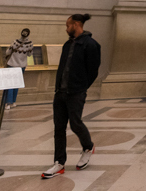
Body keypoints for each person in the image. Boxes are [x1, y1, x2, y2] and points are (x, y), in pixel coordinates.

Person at [42, 13, 101, 179]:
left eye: (68, 25)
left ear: (76, 24)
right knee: (59, 127)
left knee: (75, 123)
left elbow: (93, 71)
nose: (66, 29)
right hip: (60, 92)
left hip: (76, 92)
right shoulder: (67, 44)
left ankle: (88, 147)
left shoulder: (91, 45)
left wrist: (81, 87)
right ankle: (59, 163)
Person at [4, 28, 33, 108]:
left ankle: (8, 103)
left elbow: (8, 52)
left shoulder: (15, 42)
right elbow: (30, 54)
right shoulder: (30, 43)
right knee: (16, 84)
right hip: (21, 66)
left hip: (12, 65)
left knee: (10, 84)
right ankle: (13, 102)